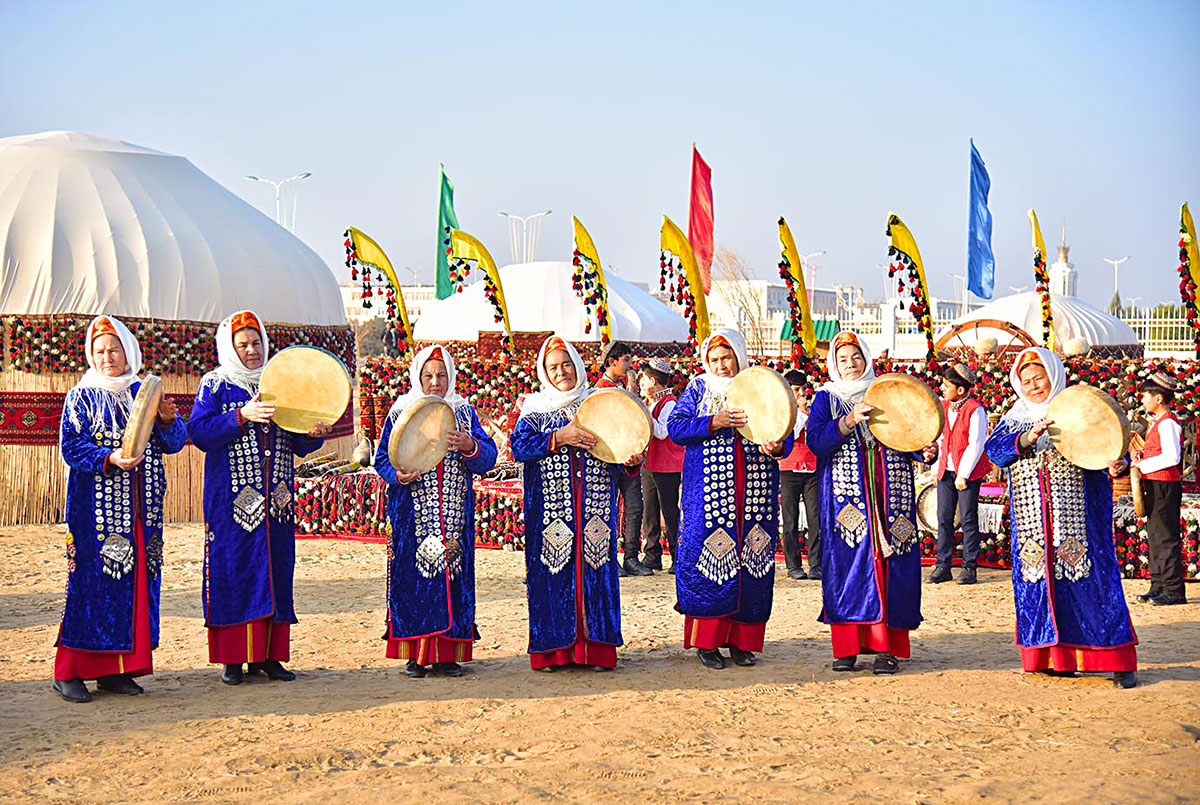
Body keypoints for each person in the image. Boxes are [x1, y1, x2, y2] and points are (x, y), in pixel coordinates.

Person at [189, 310, 332, 686]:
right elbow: (200, 434)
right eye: (243, 345)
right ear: (229, 348)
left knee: (276, 569)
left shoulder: (281, 381)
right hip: (231, 502)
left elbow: (299, 440)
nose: (251, 351)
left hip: (278, 499)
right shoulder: (216, 385)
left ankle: (270, 657)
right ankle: (233, 660)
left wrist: (316, 431)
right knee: (234, 570)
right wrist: (241, 415)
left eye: (256, 343)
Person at [984, 347, 1138, 688]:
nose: (1033, 386)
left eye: (1039, 377)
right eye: (1026, 381)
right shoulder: (1015, 417)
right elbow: (994, 450)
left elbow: (1111, 447)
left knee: (1093, 582)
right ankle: (1055, 658)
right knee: (1039, 584)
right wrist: (1026, 438)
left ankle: (1116, 659)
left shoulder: (1077, 409)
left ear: (1053, 375)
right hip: (1032, 524)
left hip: (1078, 518)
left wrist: (1118, 464)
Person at [53, 316, 187, 703]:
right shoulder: (81, 396)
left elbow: (174, 442)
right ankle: (69, 671)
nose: (107, 357)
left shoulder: (141, 392)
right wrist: (108, 457)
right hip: (95, 511)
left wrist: (167, 419)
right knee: (90, 587)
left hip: (140, 508)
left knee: (132, 586)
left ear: (128, 352)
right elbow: (72, 448)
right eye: (99, 351)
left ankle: (116, 671)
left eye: (113, 349)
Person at [511, 336, 643, 671]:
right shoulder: (535, 408)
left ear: (578, 364)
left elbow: (620, 446)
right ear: (543, 370)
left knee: (597, 572)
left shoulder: (600, 401)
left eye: (566, 363)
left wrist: (631, 458)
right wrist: (557, 438)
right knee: (552, 574)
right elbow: (520, 448)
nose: (561, 372)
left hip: (596, 506)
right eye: (553, 366)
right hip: (550, 510)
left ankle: (597, 650)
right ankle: (553, 651)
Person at [807, 332, 934, 675]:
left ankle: (886, 651)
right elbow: (815, 442)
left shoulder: (889, 392)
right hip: (846, 500)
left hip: (893, 494)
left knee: (894, 569)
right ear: (834, 363)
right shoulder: (826, 398)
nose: (850, 365)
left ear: (866, 359)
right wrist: (847, 422)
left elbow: (912, 433)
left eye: (856, 358)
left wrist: (925, 449)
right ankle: (846, 648)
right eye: (843, 359)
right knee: (848, 567)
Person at [668, 328, 791, 670]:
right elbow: (677, 428)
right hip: (708, 497)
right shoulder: (699, 388)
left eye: (726, 358)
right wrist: (713, 421)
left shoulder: (761, 385)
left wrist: (778, 445)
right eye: (714, 359)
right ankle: (707, 643)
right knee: (709, 563)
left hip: (755, 493)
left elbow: (784, 426)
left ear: (739, 355)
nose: (721, 365)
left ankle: (742, 643)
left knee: (752, 562)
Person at [374, 345, 498, 677]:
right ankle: (417, 654)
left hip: (454, 517)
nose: (434, 382)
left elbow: (489, 457)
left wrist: (470, 446)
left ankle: (448, 654)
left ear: (451, 377)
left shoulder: (465, 413)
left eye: (442, 375)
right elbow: (382, 459)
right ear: (417, 376)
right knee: (415, 579)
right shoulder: (402, 412)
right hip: (413, 516)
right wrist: (398, 476)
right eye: (428, 375)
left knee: (453, 579)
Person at [927, 362, 992, 586]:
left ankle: (969, 567)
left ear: (961, 390)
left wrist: (963, 475)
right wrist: (936, 467)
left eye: (946, 385)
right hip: (947, 470)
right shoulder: (944, 407)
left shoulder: (976, 410)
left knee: (967, 519)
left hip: (968, 473)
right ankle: (943, 565)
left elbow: (976, 444)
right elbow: (941, 438)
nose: (942, 388)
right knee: (943, 518)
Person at [595, 341, 652, 576]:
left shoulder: (625, 388)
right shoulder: (599, 391)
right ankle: (609, 558)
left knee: (634, 508)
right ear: (612, 362)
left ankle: (631, 556)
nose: (630, 365)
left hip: (629, 459)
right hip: (608, 458)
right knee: (607, 508)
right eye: (626, 360)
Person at [1133, 372, 1186, 606]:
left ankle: (1174, 590)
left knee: (1165, 537)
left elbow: (1172, 457)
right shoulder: (1159, 423)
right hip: (1155, 483)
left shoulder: (1169, 424)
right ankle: (1158, 585)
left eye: (1145, 396)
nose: (1142, 400)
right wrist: (1141, 456)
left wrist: (1141, 464)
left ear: (1159, 399)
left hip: (1165, 484)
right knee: (1155, 536)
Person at [639, 357, 684, 574]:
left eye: (645, 379)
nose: (642, 383)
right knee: (650, 510)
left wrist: (644, 413)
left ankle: (677, 556)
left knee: (669, 511)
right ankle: (652, 554)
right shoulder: (652, 402)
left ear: (654, 381)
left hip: (667, 464)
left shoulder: (669, 403)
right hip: (651, 462)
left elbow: (662, 432)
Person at [778, 369, 821, 581]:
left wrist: (807, 414)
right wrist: (800, 414)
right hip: (789, 468)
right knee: (790, 519)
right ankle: (793, 564)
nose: (801, 394)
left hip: (812, 468)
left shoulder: (813, 412)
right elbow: (790, 435)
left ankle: (815, 563)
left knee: (815, 517)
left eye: (803, 389)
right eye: (796, 390)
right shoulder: (784, 414)